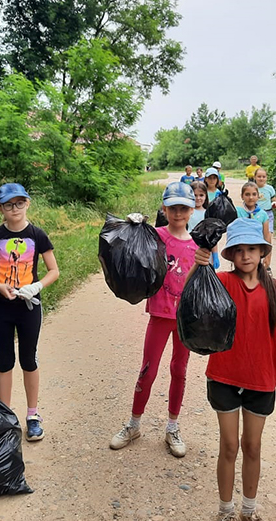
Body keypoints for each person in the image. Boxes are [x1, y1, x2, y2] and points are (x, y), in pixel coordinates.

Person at [192, 218, 276, 521]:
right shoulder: (222, 282)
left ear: (262, 252)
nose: (245, 255)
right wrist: (200, 264)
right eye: (239, 250)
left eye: (252, 249)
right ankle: (225, 510)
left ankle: (248, 510)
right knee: (228, 446)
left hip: (261, 380)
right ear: (230, 254)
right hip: (224, 377)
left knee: (252, 446)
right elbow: (194, 293)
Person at [110, 182, 200, 458]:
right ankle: (134, 424)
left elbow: (206, 276)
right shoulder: (155, 236)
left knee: (179, 371)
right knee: (148, 370)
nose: (178, 213)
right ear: (164, 208)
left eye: (183, 208)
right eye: (172, 208)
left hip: (185, 318)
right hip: (160, 316)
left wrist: (206, 257)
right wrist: (131, 226)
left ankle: (172, 427)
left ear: (192, 209)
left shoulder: (198, 244)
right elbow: (125, 247)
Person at [0, 183, 60, 441]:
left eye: (19, 203)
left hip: (28, 307)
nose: (15, 209)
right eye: (9, 204)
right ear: (0, 208)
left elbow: (54, 271)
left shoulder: (38, 235)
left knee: (28, 359)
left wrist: (36, 286)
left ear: (28, 203)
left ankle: (32, 415)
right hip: (1, 305)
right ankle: (5, 416)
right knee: (4, 360)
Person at [235, 182, 271, 262]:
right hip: (240, 250)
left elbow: (267, 236)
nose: (251, 197)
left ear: (258, 196)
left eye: (254, 194)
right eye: (247, 194)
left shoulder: (263, 214)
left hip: (256, 250)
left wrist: (268, 257)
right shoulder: (237, 212)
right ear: (242, 196)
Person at [254, 168, 276, 269]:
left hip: (268, 214)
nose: (261, 178)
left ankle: (267, 264)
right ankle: (256, 262)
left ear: (266, 178)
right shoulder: (253, 188)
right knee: (256, 239)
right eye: (259, 176)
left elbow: (273, 198)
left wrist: (274, 203)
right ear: (255, 177)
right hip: (255, 215)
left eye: (263, 176)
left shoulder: (270, 188)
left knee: (268, 238)